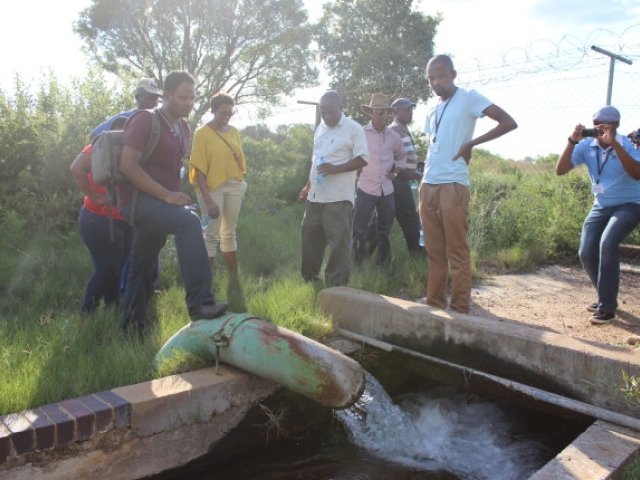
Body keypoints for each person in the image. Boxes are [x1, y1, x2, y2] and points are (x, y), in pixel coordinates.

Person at [118, 70, 227, 334]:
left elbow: (170, 170)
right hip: (139, 203)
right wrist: (167, 196)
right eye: (183, 98)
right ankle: (200, 302)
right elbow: (127, 166)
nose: (189, 103)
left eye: (192, 98)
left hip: (162, 205)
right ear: (166, 96)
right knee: (189, 224)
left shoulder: (183, 127)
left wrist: (176, 197)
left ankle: (130, 328)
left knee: (142, 264)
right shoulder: (145, 120)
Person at [421, 54, 517, 313]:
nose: (436, 82)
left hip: (453, 184)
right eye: (431, 78)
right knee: (434, 251)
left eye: (441, 75)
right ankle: (435, 304)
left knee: (457, 251)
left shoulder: (468, 98)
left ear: (453, 74)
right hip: (428, 183)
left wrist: (471, 143)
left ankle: (461, 307)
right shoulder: (433, 108)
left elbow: (508, 122)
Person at [556, 105, 640, 324]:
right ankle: (606, 296)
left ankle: (607, 308)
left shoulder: (629, 144)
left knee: (607, 243)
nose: (599, 128)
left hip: (631, 204)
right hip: (601, 205)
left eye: (605, 124)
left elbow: (637, 174)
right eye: (596, 124)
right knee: (585, 251)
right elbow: (560, 170)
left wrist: (615, 145)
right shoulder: (586, 145)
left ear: (615, 126)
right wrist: (572, 140)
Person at [299, 90, 368, 286]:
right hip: (315, 196)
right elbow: (315, 162)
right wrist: (307, 186)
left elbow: (362, 159)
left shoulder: (353, 128)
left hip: (338, 198)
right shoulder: (320, 129)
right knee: (310, 238)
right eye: (324, 112)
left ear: (341, 108)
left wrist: (335, 169)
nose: (327, 116)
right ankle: (310, 280)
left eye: (331, 111)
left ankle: (336, 286)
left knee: (338, 243)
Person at [70, 117, 132, 315]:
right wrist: (95, 195)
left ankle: (112, 307)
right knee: (107, 268)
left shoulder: (134, 150)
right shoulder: (99, 146)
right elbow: (76, 168)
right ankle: (87, 311)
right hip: (97, 219)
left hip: (124, 220)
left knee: (117, 266)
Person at [189, 92, 247, 276]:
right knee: (211, 233)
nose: (227, 117)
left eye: (230, 113)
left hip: (234, 185)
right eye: (223, 112)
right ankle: (207, 278)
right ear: (213, 111)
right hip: (212, 188)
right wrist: (208, 200)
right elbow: (198, 168)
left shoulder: (234, 132)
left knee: (229, 232)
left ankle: (233, 277)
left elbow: (238, 160)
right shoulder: (202, 133)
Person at [353, 94, 407, 266]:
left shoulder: (393, 136)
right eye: (376, 111)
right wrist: (355, 171)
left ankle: (383, 265)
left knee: (384, 230)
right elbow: (351, 154)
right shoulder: (360, 133)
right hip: (366, 188)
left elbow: (402, 156)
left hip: (387, 190)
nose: (380, 115)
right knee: (358, 229)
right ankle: (357, 264)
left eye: (383, 112)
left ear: (387, 113)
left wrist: (396, 172)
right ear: (370, 113)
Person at [389, 97, 423, 253]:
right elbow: (390, 159)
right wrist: (408, 172)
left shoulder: (402, 128)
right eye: (407, 110)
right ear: (395, 111)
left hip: (403, 181)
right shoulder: (394, 129)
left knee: (386, 221)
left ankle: (362, 254)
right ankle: (417, 255)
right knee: (410, 219)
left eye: (411, 109)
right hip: (397, 181)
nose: (411, 113)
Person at [91, 78, 162, 139]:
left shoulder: (161, 122)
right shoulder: (125, 117)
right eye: (149, 97)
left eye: (155, 98)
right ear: (137, 97)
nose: (153, 102)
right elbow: (95, 134)